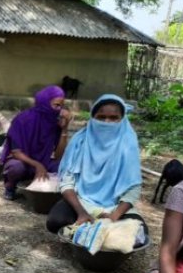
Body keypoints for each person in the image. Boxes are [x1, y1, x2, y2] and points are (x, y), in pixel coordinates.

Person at [46, 95, 145, 234]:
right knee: (56, 222)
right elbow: (67, 182)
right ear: (93, 118)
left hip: (114, 206)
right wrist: (82, 213)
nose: (107, 122)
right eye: (101, 117)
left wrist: (114, 217)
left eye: (114, 118)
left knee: (139, 232)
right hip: (81, 201)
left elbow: (133, 187)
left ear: (122, 120)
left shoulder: (128, 144)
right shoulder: (80, 141)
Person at [0, 85, 71, 200]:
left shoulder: (54, 123)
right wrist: (38, 165)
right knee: (16, 167)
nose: (60, 110)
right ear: (45, 102)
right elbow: (16, 152)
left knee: (64, 167)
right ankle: (10, 186)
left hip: (43, 161)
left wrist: (64, 129)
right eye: (56, 105)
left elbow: (59, 155)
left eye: (62, 106)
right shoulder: (23, 119)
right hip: (23, 161)